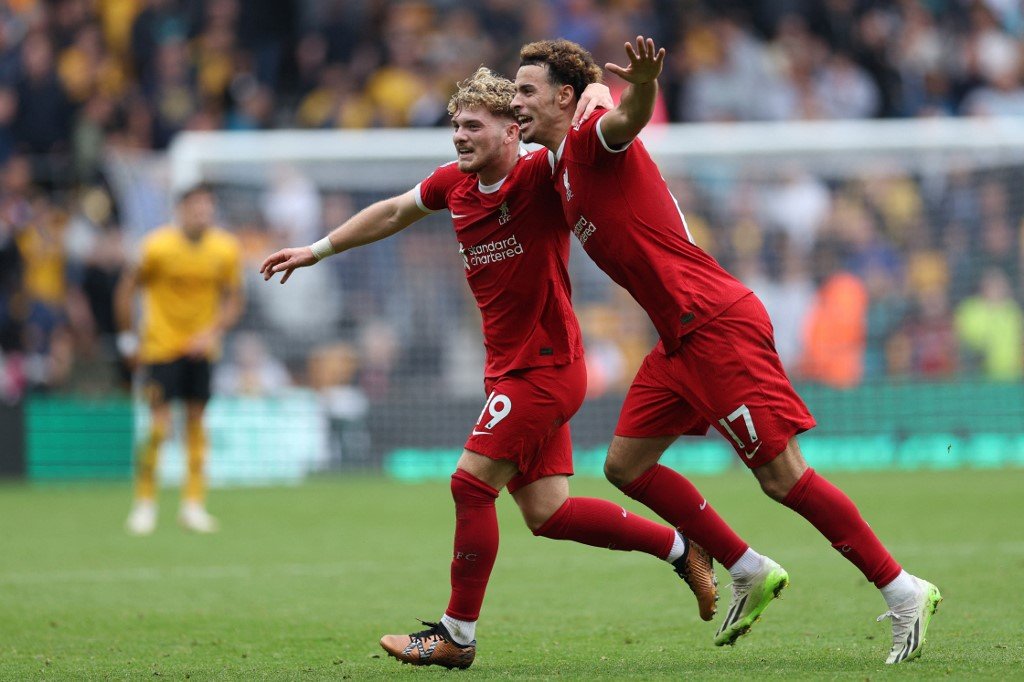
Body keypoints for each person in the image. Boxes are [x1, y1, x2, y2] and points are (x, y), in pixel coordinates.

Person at [260, 68, 717, 670]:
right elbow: (395, 211)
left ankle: (457, 634)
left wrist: (602, 95)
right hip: (510, 371)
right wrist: (317, 250)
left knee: (470, 484)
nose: (459, 136)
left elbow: (602, 132)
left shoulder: (542, 174)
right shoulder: (456, 184)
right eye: (455, 125)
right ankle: (682, 548)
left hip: (548, 367)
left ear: (512, 130)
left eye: (473, 125)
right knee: (548, 513)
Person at [511, 36, 941, 664]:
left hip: (715, 324)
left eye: (528, 91)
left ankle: (903, 589)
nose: (519, 101)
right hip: (677, 338)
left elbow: (623, 120)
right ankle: (746, 567)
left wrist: (643, 87)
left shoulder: (590, 137)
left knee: (782, 477)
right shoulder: (560, 168)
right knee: (625, 466)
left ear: (564, 97)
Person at [116, 183, 244, 535]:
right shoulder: (156, 247)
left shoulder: (226, 249)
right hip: (161, 348)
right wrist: (129, 340)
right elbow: (126, 290)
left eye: (208, 208)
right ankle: (144, 504)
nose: (203, 214)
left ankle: (193, 505)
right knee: (158, 425)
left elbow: (234, 301)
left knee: (196, 425)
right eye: (197, 208)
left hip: (201, 351)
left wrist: (211, 333)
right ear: (182, 210)